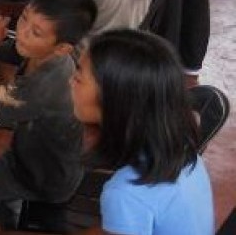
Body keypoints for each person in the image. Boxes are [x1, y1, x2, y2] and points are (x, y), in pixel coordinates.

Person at [0, 0, 97, 234]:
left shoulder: (46, 85)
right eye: (23, 19)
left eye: (36, 32)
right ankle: (7, 215)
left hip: (42, 175)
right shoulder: (40, 50)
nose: (21, 33)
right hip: (27, 156)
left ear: (62, 47)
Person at [70, 29, 214, 234]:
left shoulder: (124, 193)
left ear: (113, 100)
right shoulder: (182, 150)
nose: (70, 81)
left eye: (78, 76)